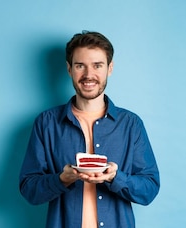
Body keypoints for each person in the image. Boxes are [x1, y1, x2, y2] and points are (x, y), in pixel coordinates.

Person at [19, 30, 160, 228]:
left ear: (109, 68)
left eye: (97, 65)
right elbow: (29, 189)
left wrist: (115, 177)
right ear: (69, 69)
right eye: (80, 66)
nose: (88, 75)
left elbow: (149, 189)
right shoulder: (46, 123)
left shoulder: (131, 124)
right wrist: (62, 179)